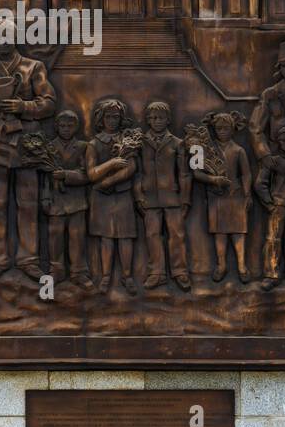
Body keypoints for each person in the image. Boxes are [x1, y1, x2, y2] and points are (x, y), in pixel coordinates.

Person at [0, 21, 57, 283]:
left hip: (26, 143)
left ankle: (28, 259)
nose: (4, 39)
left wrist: (23, 106)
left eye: (9, 34)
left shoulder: (33, 67)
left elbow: (49, 103)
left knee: (28, 205)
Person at [85, 98, 140, 296]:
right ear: (101, 118)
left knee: (125, 236)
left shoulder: (128, 140)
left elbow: (131, 168)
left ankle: (127, 276)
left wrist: (107, 182)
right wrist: (111, 164)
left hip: (122, 194)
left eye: (116, 117)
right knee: (106, 238)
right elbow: (91, 173)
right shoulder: (93, 144)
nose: (112, 120)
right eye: (108, 116)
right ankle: (106, 276)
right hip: (101, 198)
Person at [135, 100, 191, 291]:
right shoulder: (140, 143)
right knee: (152, 235)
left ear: (168, 120)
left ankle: (180, 272)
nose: (156, 121)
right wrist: (138, 195)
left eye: (160, 118)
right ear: (148, 120)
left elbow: (184, 173)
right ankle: (156, 273)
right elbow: (137, 172)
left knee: (176, 235)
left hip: (172, 196)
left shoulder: (178, 143)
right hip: (149, 196)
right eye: (152, 118)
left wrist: (185, 199)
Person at [195, 110, 253, 283]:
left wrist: (247, 193)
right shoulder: (204, 149)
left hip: (236, 196)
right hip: (216, 196)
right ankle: (221, 265)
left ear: (232, 129)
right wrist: (213, 179)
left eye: (226, 128)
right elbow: (196, 173)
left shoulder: (239, 150)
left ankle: (242, 265)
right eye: (218, 128)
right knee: (219, 232)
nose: (222, 132)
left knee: (238, 231)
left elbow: (246, 174)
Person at [42, 110, 92, 288]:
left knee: (77, 237)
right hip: (56, 202)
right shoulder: (48, 147)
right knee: (55, 238)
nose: (65, 129)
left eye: (69, 126)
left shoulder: (83, 146)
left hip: (77, 201)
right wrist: (45, 198)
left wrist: (66, 175)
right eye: (62, 126)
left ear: (76, 127)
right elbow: (45, 179)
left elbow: (87, 174)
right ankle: (56, 271)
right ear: (56, 127)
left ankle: (79, 272)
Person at [254, 124, 285, 289]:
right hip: (278, 207)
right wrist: (269, 203)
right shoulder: (273, 161)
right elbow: (260, 184)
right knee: (273, 240)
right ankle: (271, 274)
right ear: (279, 142)